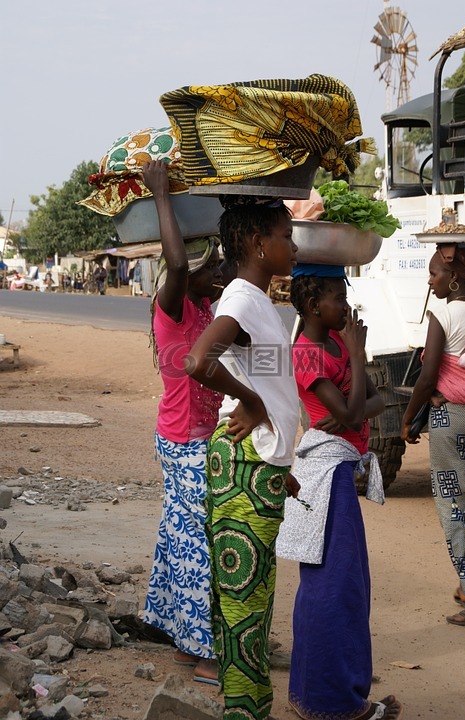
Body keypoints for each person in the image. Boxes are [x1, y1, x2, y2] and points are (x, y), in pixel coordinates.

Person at [186, 195, 301, 720]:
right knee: (241, 606)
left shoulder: (260, 301)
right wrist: (251, 403)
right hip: (242, 463)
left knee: (249, 603)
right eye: (286, 234)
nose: (293, 246)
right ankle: (243, 712)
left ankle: (250, 709)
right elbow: (197, 359)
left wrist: (282, 465)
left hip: (258, 466)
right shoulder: (242, 298)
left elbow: (271, 382)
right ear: (258, 243)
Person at [276, 265, 403, 720]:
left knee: (339, 586)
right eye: (336, 297)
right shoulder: (307, 353)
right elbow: (354, 414)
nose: (345, 307)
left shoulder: (333, 347)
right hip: (326, 476)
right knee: (334, 589)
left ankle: (316, 695)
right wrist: (356, 353)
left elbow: (377, 401)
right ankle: (336, 703)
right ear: (313, 305)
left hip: (337, 473)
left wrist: (353, 397)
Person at [142, 159, 224, 683]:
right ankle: (204, 650)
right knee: (196, 543)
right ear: (188, 270)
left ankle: (178, 639)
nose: (219, 272)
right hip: (183, 440)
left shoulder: (206, 309)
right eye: (209, 265)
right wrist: (162, 195)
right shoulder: (171, 305)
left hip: (192, 438)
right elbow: (174, 264)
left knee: (180, 532)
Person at [401, 243, 465, 630]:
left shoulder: (442, 313)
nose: (430, 281)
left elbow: (429, 374)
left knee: (457, 506)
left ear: (452, 278)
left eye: (433, 274)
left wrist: (408, 415)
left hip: (451, 418)